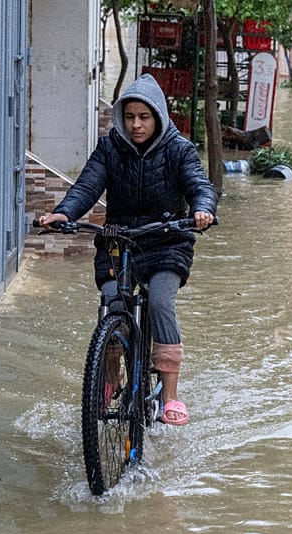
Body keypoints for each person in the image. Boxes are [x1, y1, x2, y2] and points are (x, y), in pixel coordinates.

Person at [38, 74, 217, 426]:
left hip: (167, 240)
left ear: (158, 117)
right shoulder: (110, 148)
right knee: (111, 306)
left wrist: (202, 209)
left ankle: (170, 396)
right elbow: (87, 185)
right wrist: (65, 212)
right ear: (122, 117)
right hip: (119, 241)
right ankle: (109, 377)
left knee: (160, 302)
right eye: (130, 116)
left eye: (144, 117)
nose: (136, 124)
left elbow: (199, 184)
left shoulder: (179, 149)